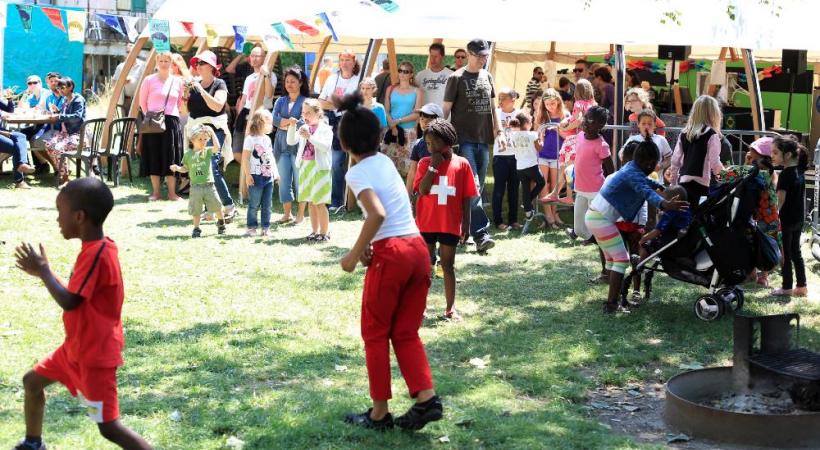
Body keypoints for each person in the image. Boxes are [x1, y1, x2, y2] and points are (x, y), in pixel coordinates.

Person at [12, 178, 153, 450]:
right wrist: (45, 273)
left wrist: (44, 271)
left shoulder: (97, 254)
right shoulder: (96, 249)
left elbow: (70, 301)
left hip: (94, 357)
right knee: (32, 382)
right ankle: (33, 443)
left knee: (109, 428)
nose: (57, 220)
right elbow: (78, 296)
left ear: (79, 217)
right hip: (75, 349)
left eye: (60, 213)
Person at [337, 92, 442, 432]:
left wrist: (354, 255)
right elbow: (394, 211)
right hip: (417, 250)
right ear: (380, 136)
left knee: (375, 333)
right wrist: (372, 245)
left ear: (344, 142)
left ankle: (379, 413)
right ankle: (426, 399)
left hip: (393, 256)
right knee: (406, 332)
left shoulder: (356, 173)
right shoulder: (384, 162)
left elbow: (377, 214)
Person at [587, 139, 688, 313]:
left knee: (613, 259)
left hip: (597, 217)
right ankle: (611, 304)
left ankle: (613, 299)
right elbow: (646, 191)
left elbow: (649, 184)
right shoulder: (633, 173)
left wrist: (664, 189)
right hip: (600, 219)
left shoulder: (632, 168)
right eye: (655, 164)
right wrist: (665, 205)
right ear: (649, 163)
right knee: (622, 259)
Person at [414, 119, 477, 320]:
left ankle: (450, 309)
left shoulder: (462, 164)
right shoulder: (425, 163)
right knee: (425, 267)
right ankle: (420, 308)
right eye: (427, 144)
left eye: (433, 143)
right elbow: (422, 190)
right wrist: (433, 168)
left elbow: (467, 197)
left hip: (449, 223)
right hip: (427, 222)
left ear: (446, 141)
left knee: (447, 266)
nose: (429, 147)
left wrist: (466, 223)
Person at [442, 38, 498, 253]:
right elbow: (445, 108)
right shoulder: (456, 78)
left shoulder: (488, 76)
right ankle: (481, 234)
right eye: (480, 55)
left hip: (484, 139)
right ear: (468, 54)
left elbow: (493, 109)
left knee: (477, 188)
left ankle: (462, 230)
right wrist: (435, 129)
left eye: (485, 55)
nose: (484, 58)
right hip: (462, 139)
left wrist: (499, 131)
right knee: (474, 186)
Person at [178, 51, 236, 220]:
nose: (198, 66)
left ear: (211, 67)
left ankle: (229, 206)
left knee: (211, 167)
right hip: (196, 131)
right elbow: (183, 111)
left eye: (202, 63)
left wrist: (200, 90)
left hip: (214, 129)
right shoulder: (194, 84)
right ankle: (210, 208)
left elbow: (218, 106)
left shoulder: (219, 84)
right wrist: (185, 94)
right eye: (197, 64)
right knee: (200, 169)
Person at [720, 137, 781, 287]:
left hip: (759, 218)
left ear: (761, 158)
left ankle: (756, 274)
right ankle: (760, 275)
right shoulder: (771, 173)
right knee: (761, 245)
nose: (748, 155)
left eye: (752, 155)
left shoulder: (754, 171)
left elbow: (723, 175)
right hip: (770, 217)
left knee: (755, 245)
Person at [318, 49, 361, 212]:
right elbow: (321, 101)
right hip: (332, 124)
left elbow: (355, 104)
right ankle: (334, 199)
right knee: (333, 163)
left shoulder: (359, 79)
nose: (344, 63)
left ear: (354, 61)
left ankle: (346, 200)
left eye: (348, 59)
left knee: (344, 163)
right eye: (342, 59)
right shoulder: (332, 78)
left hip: (351, 124)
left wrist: (335, 102)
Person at [542, 79, 597, 205]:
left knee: (566, 168)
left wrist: (563, 127)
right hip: (586, 140)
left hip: (576, 140)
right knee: (568, 169)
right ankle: (560, 194)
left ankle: (564, 195)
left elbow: (577, 121)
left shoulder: (579, 103)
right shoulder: (593, 104)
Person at [566, 107, 614, 246]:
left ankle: (600, 240)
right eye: (585, 117)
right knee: (579, 228)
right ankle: (593, 238)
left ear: (600, 126)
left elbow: (611, 170)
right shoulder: (580, 135)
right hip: (579, 188)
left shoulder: (602, 145)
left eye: (590, 120)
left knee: (595, 222)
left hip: (595, 191)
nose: (585, 122)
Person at [138, 53, 184, 200]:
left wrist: (170, 114)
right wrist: (150, 118)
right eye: (161, 60)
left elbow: (179, 102)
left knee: (172, 156)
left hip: (171, 122)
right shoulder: (148, 80)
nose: (164, 63)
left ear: (171, 63)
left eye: (167, 61)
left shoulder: (178, 81)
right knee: (154, 155)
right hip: (153, 122)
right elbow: (142, 102)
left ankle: (172, 193)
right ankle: (156, 192)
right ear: (157, 62)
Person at [288, 99, 334, 242]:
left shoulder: (325, 129)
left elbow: (325, 147)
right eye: (303, 113)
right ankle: (314, 231)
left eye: (308, 113)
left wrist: (310, 137)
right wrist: (292, 126)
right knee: (311, 202)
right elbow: (291, 141)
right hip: (306, 167)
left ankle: (324, 232)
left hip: (320, 169)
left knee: (320, 202)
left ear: (317, 113)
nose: (305, 116)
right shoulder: (304, 127)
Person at [170, 125, 226, 237]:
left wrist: (212, 133)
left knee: (216, 206)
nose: (203, 142)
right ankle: (196, 228)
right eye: (200, 139)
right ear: (192, 140)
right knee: (196, 209)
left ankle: (221, 223)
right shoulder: (188, 154)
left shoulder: (208, 151)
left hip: (209, 186)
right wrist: (178, 168)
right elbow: (186, 168)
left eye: (205, 139)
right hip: (195, 187)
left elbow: (217, 147)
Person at [771, 135, 809, 297]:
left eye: (775, 153)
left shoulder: (785, 174)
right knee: (796, 252)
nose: (772, 156)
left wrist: (774, 217)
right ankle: (801, 287)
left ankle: (786, 287)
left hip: (786, 221)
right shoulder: (799, 171)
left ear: (787, 155)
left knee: (786, 254)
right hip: (798, 219)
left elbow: (780, 199)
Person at [272, 66, 310, 224]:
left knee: (300, 180)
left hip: (299, 145)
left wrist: (284, 123)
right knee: (283, 180)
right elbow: (273, 119)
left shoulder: (306, 102)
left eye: (293, 81)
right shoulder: (280, 101)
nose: (289, 84)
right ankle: (287, 213)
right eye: (287, 81)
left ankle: (300, 215)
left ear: (300, 83)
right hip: (281, 145)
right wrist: (289, 122)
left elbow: (303, 122)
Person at [669, 95, 725, 204]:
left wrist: (673, 183)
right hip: (701, 185)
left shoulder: (684, 133)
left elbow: (675, 161)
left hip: (683, 182)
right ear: (714, 114)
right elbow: (715, 163)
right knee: (697, 217)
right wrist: (728, 178)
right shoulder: (712, 135)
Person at [535, 89, 570, 227]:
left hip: (557, 155)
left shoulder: (565, 115)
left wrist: (558, 129)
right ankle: (548, 215)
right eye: (547, 104)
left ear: (558, 102)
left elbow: (568, 136)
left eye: (553, 103)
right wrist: (540, 135)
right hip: (543, 154)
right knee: (543, 184)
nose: (550, 106)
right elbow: (536, 135)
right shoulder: (542, 115)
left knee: (555, 186)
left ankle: (555, 215)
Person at [232, 46, 275, 156]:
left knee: (257, 151)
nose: (254, 58)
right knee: (237, 151)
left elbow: (269, 94)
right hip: (246, 112)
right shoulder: (249, 78)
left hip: (261, 114)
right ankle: (248, 171)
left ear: (264, 58)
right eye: (252, 56)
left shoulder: (271, 75)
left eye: (257, 56)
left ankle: (252, 171)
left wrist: (266, 74)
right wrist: (239, 117)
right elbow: (244, 100)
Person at [243, 108, 279, 237]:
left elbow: (270, 157)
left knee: (267, 204)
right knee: (254, 204)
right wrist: (248, 175)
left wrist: (276, 172)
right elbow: (245, 158)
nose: (271, 126)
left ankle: (265, 227)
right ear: (261, 122)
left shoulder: (267, 139)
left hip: (268, 176)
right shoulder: (250, 139)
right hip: (255, 176)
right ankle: (251, 227)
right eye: (269, 123)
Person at [44, 77, 86, 186]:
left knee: (58, 148)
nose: (60, 90)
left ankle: (65, 177)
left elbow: (77, 117)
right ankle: (64, 173)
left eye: (62, 88)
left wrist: (59, 116)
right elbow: (64, 115)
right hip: (65, 134)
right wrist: (57, 111)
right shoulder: (65, 100)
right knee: (49, 145)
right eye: (58, 88)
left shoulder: (77, 99)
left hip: (78, 135)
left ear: (70, 87)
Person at [383, 61, 423, 177]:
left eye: (406, 71)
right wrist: (393, 125)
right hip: (391, 132)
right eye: (400, 70)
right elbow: (386, 110)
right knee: (389, 168)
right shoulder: (390, 89)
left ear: (411, 74)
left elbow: (417, 114)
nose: (402, 74)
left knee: (408, 169)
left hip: (409, 133)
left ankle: (407, 193)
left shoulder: (418, 91)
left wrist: (397, 121)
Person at [492, 88, 521, 230]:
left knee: (514, 189)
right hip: (500, 157)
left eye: (503, 98)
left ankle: (513, 220)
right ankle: (498, 221)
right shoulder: (496, 113)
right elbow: (492, 133)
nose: (500, 101)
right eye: (499, 98)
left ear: (513, 100)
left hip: (516, 157)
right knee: (499, 189)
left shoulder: (519, 114)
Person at [509, 113, 545, 223]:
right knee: (541, 182)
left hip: (519, 167)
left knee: (525, 188)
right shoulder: (532, 134)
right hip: (531, 166)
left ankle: (528, 212)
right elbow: (539, 148)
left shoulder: (513, 135)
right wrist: (541, 139)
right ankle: (527, 203)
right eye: (531, 122)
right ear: (527, 123)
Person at [0, 91, 35, 188]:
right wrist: (3, 133)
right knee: (15, 147)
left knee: (21, 136)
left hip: (2, 131)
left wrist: (9, 99)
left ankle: (22, 164)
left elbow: (10, 110)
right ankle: (19, 181)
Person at [621, 110, 672, 176]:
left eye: (650, 124)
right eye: (643, 123)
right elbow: (621, 154)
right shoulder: (632, 139)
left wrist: (660, 166)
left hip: (656, 181)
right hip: (636, 180)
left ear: (655, 125)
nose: (646, 126)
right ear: (638, 124)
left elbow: (669, 157)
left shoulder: (661, 139)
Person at [406, 103, 442, 195]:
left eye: (429, 120)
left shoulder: (445, 143)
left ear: (439, 120)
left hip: (442, 187)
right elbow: (412, 172)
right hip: (423, 189)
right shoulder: (418, 144)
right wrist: (408, 195)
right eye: (422, 119)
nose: (424, 123)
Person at [415, 43, 453, 107]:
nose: (432, 59)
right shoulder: (420, 75)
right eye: (431, 56)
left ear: (443, 57)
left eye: (436, 56)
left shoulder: (451, 75)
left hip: (443, 115)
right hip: (425, 115)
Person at [112, 43, 145, 115]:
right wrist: (121, 82)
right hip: (126, 101)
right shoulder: (120, 67)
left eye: (132, 51)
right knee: (126, 124)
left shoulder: (143, 65)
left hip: (140, 100)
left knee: (140, 124)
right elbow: (113, 83)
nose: (129, 54)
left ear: (137, 52)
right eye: (127, 52)